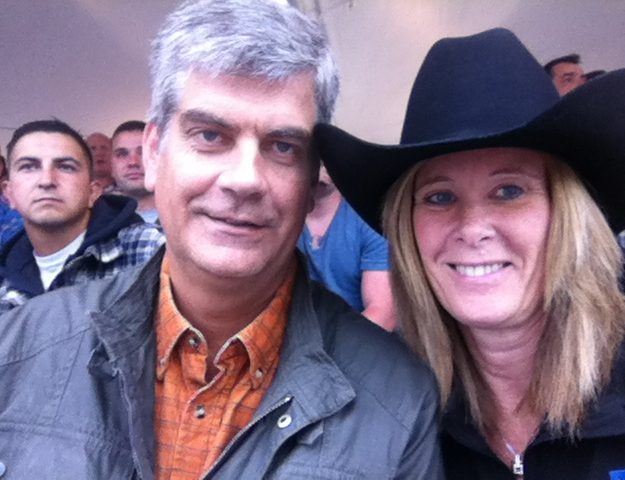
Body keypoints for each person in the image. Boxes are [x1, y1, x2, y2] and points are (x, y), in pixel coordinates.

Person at [0, 1, 442, 478]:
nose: (244, 179)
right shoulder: (21, 347)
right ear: (153, 153)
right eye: (210, 136)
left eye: (283, 146)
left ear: (312, 174)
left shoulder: (398, 398)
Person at [317, 28, 625, 479]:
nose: (473, 228)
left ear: (567, 213)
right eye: (440, 197)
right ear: (407, 227)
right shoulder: (394, 414)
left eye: (509, 191)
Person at [0, 119, 164, 313]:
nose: (46, 180)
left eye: (66, 167)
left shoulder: (150, 251)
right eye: (29, 166)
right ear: (9, 193)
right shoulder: (5, 280)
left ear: (93, 192)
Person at [297, 163, 395, 330]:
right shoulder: (278, 215)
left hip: (358, 338)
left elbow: (383, 314)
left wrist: (324, 345)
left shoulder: (370, 218)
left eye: (325, 153)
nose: (319, 160)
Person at [111, 120, 158, 223]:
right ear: (111, 167)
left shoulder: (186, 216)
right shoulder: (96, 224)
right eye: (122, 154)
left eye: (143, 152)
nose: (133, 162)